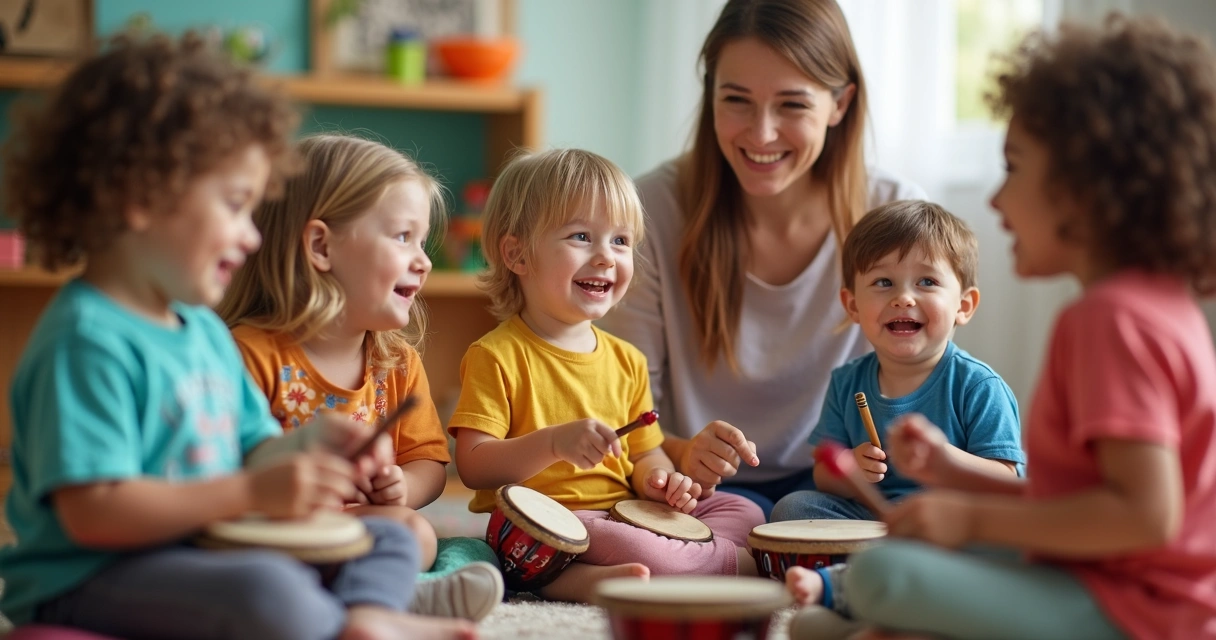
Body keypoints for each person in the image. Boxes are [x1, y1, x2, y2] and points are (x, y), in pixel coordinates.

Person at [0, 33, 473, 640]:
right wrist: (250, 491)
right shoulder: (87, 339)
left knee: (390, 535)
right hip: (90, 575)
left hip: (198, 552)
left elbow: (255, 443)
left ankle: (363, 615)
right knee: (268, 591)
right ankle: (338, 622)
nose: (252, 237)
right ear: (139, 197)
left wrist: (313, 444)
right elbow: (95, 513)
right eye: (234, 205)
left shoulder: (199, 329)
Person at [791, 14, 1216, 640]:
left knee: (884, 571)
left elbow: (1146, 517)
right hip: (1132, 586)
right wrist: (955, 479)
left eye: (1013, 167)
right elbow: (1072, 504)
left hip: (1135, 608)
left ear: (1083, 188)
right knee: (903, 556)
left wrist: (970, 521)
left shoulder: (1110, 319)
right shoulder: (1157, 303)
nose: (995, 200)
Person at [599, 0, 925, 518]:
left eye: (792, 105)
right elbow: (629, 409)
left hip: (844, 481)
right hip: (700, 482)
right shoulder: (648, 212)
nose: (762, 133)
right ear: (710, 94)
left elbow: (923, 386)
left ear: (840, 103)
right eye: (737, 100)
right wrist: (680, 459)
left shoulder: (896, 213)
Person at [449, 148, 766, 604]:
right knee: (630, 544)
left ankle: (595, 577)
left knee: (744, 509)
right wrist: (553, 444)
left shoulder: (628, 360)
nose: (605, 257)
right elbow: (474, 466)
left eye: (620, 241)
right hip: (549, 521)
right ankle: (728, 565)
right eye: (581, 236)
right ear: (517, 255)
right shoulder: (496, 355)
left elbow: (647, 454)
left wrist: (661, 483)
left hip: (622, 511)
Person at [217, 134, 503, 622]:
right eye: (403, 237)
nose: (423, 260)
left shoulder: (397, 362)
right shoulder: (248, 353)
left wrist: (401, 488)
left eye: (423, 241)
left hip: (359, 527)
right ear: (321, 246)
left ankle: (365, 594)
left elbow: (429, 462)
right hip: (273, 531)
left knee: (421, 534)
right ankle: (389, 597)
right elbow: (219, 467)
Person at [774, 200, 1025, 611]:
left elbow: (1007, 479)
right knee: (794, 507)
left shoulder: (979, 386)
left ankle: (853, 583)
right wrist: (852, 471)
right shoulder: (846, 381)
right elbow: (823, 473)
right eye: (883, 282)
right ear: (853, 305)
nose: (903, 298)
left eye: (926, 282)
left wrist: (944, 461)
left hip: (949, 522)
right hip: (871, 519)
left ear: (963, 306)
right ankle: (877, 575)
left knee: (1005, 542)